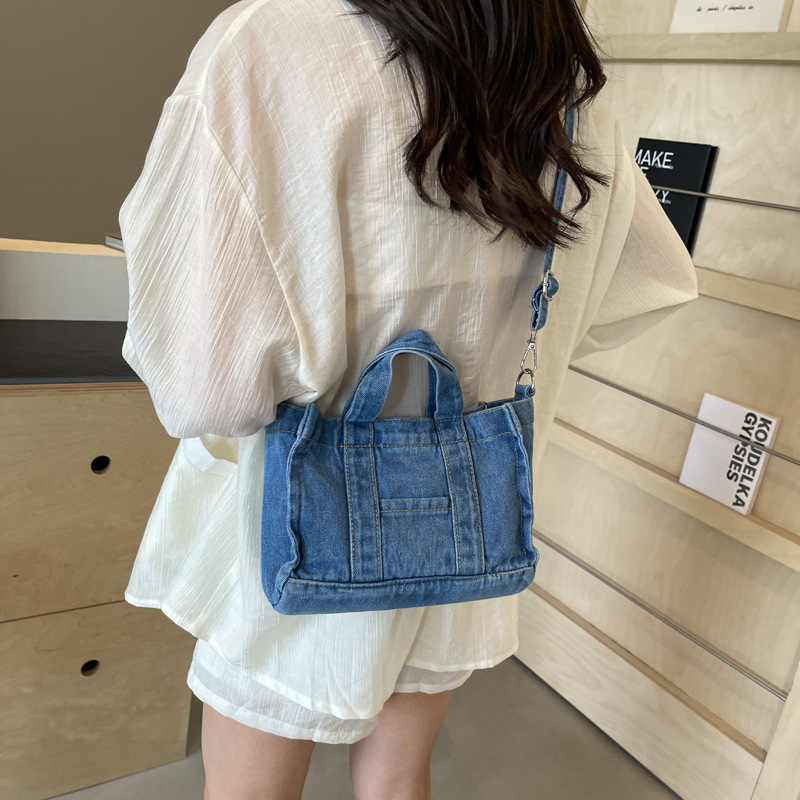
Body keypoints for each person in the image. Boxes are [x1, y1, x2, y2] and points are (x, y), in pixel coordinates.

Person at [118, 1, 699, 798]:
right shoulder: (553, 76)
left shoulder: (272, 44)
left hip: (291, 523)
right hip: (463, 520)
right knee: (398, 777)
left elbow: (204, 389)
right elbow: (652, 282)